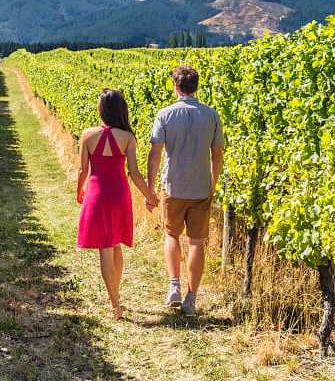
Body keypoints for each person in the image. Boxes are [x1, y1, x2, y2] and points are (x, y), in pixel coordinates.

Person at [147, 65, 225, 317]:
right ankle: (191, 298)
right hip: (201, 186)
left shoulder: (165, 115)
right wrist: (212, 184)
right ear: (197, 87)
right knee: (197, 243)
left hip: (173, 186)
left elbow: (155, 154)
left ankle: (174, 286)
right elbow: (217, 155)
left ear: (176, 86)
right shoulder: (212, 115)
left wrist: (150, 188)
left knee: (171, 235)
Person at [77, 88, 160, 319]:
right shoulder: (127, 138)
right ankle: (115, 292)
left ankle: (115, 304)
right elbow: (134, 173)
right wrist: (150, 196)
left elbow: (83, 169)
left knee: (105, 248)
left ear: (101, 110)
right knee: (116, 245)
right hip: (119, 195)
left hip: (97, 194)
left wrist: (79, 191)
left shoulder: (87, 135)